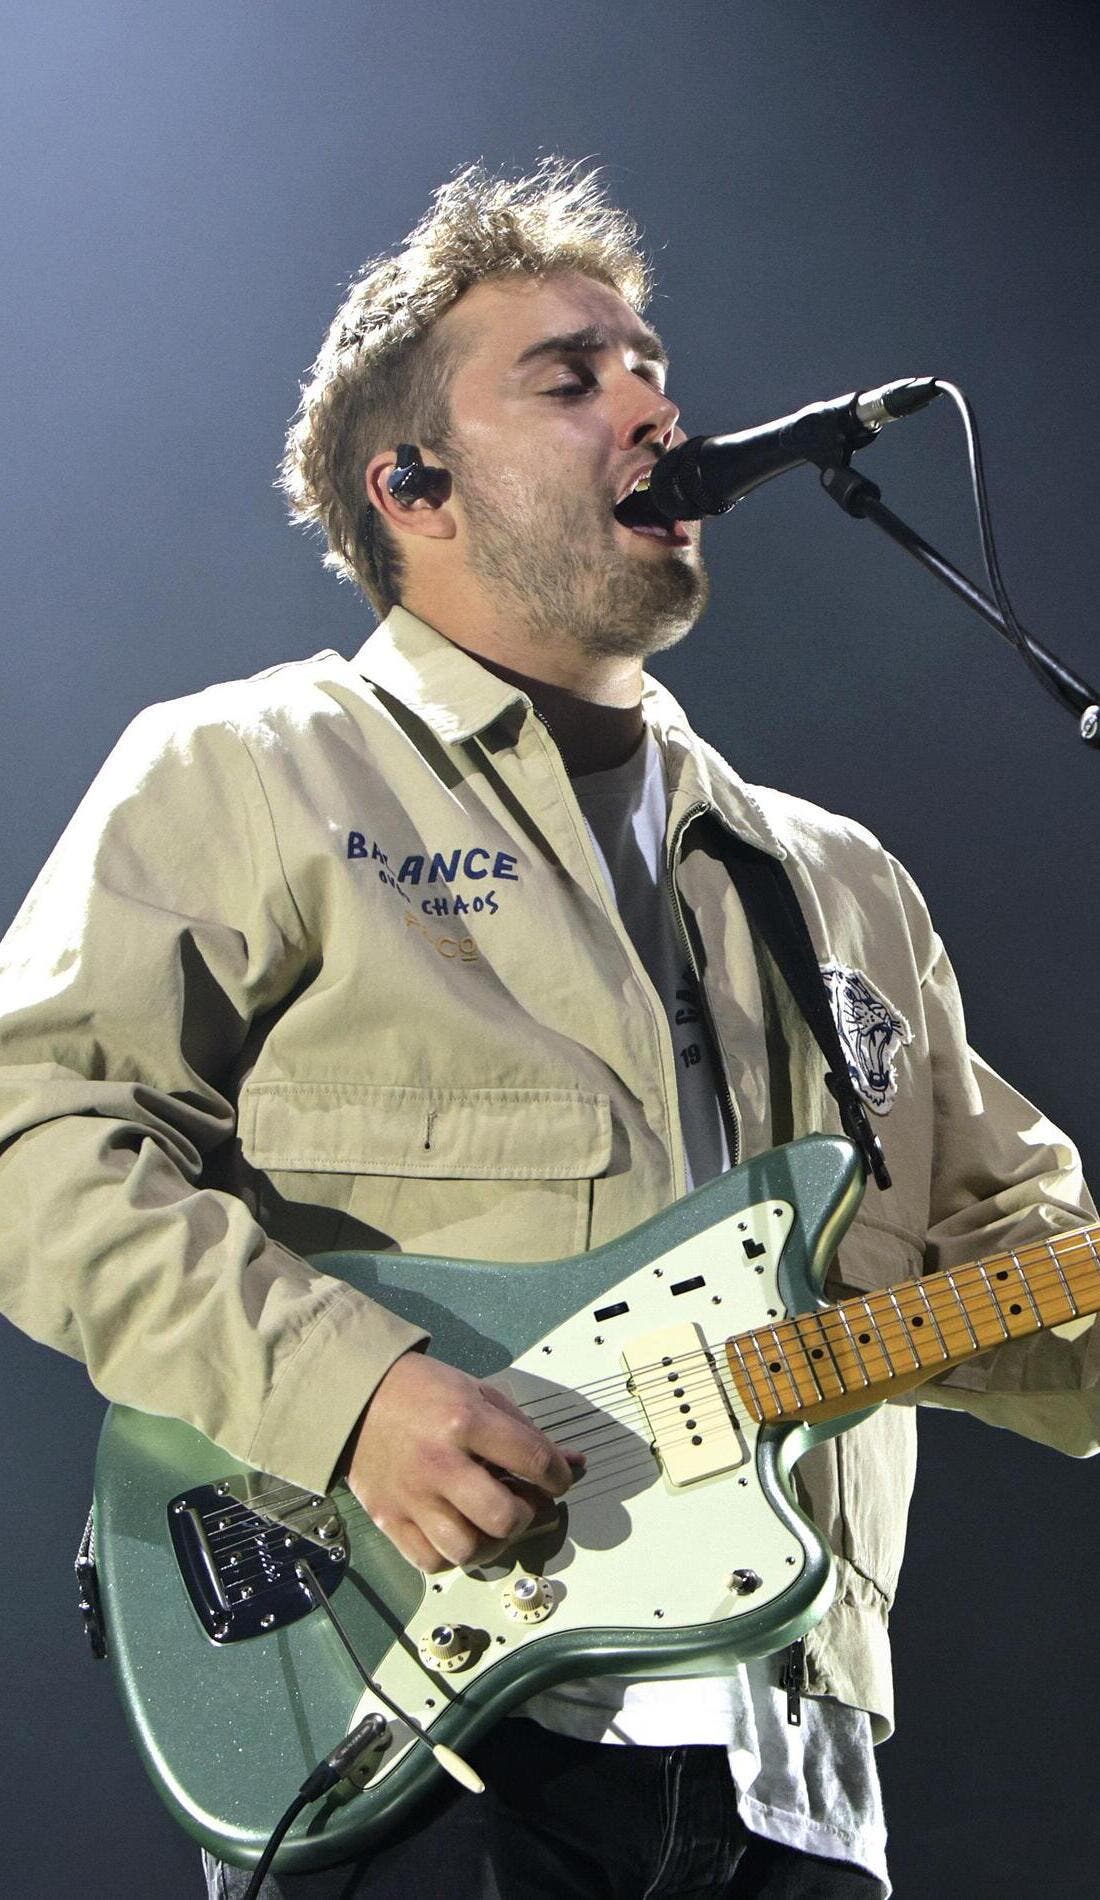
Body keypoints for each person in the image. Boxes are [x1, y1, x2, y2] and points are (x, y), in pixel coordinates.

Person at [1, 160, 1098, 1900]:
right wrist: (351, 1395)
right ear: (412, 486)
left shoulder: (841, 882)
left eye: (651, 364)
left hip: (802, 1786)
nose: (654, 407)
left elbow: (1028, 1267)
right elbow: (33, 1146)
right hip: (434, 1745)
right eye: (570, 377)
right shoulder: (252, 771)